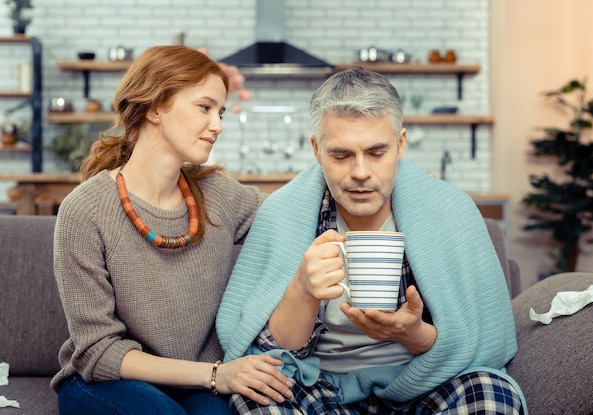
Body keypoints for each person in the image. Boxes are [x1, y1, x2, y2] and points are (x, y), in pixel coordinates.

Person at [217, 67, 527, 414]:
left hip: (422, 383)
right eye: (341, 155)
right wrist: (302, 290)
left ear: (401, 144)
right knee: (257, 396)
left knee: (490, 391)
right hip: (320, 386)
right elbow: (271, 355)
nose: (360, 172)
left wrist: (412, 334)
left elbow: (480, 345)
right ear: (317, 150)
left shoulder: (451, 211)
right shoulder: (282, 214)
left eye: (377, 153)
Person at [51, 45, 293, 415]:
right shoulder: (84, 210)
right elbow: (98, 350)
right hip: (106, 383)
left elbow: (291, 215)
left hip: (194, 380)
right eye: (204, 107)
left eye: (221, 112)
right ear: (154, 107)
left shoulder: (219, 194)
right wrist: (216, 375)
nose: (218, 125)